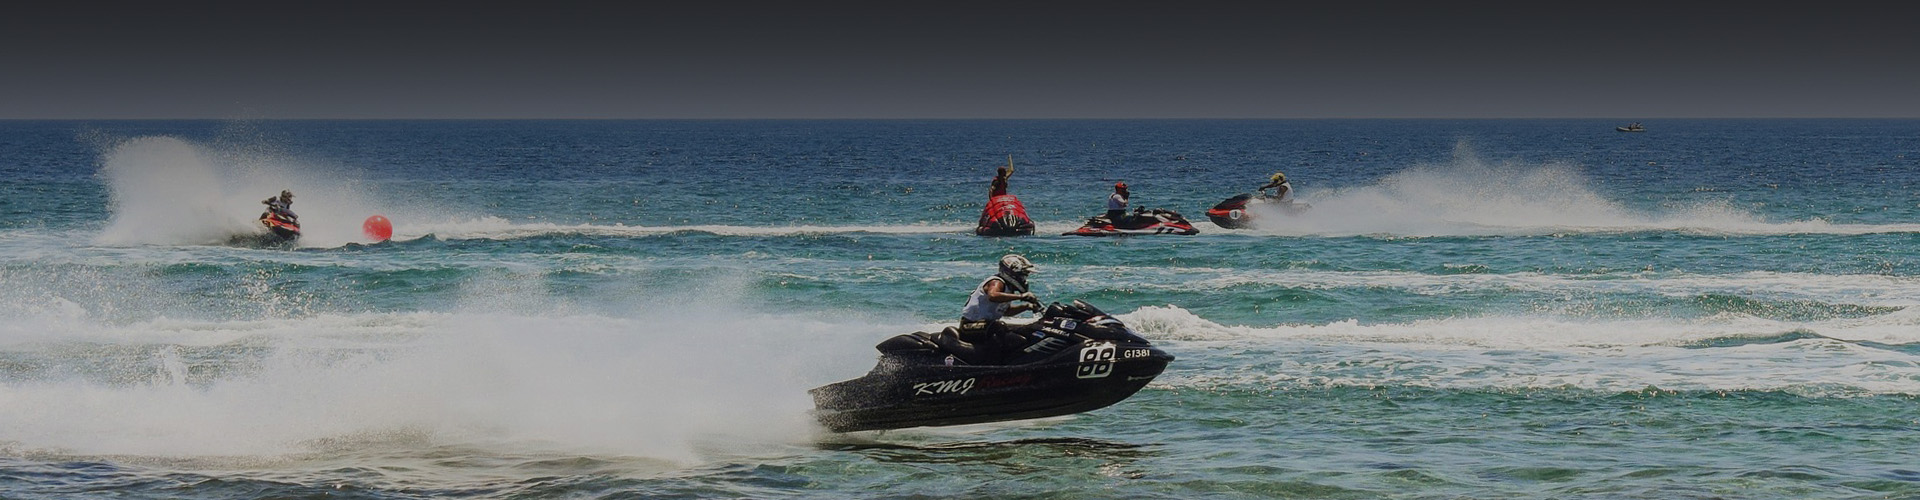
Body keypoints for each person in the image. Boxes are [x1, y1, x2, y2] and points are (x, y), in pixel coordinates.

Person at [958, 254, 1043, 356]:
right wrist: (1021, 296)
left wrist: (1027, 307)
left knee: (1022, 329)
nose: (1024, 278)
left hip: (985, 325)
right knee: (999, 327)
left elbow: (1006, 311)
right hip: (969, 325)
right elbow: (993, 296)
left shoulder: (1008, 288)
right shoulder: (997, 282)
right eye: (1023, 275)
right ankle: (994, 362)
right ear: (1011, 273)